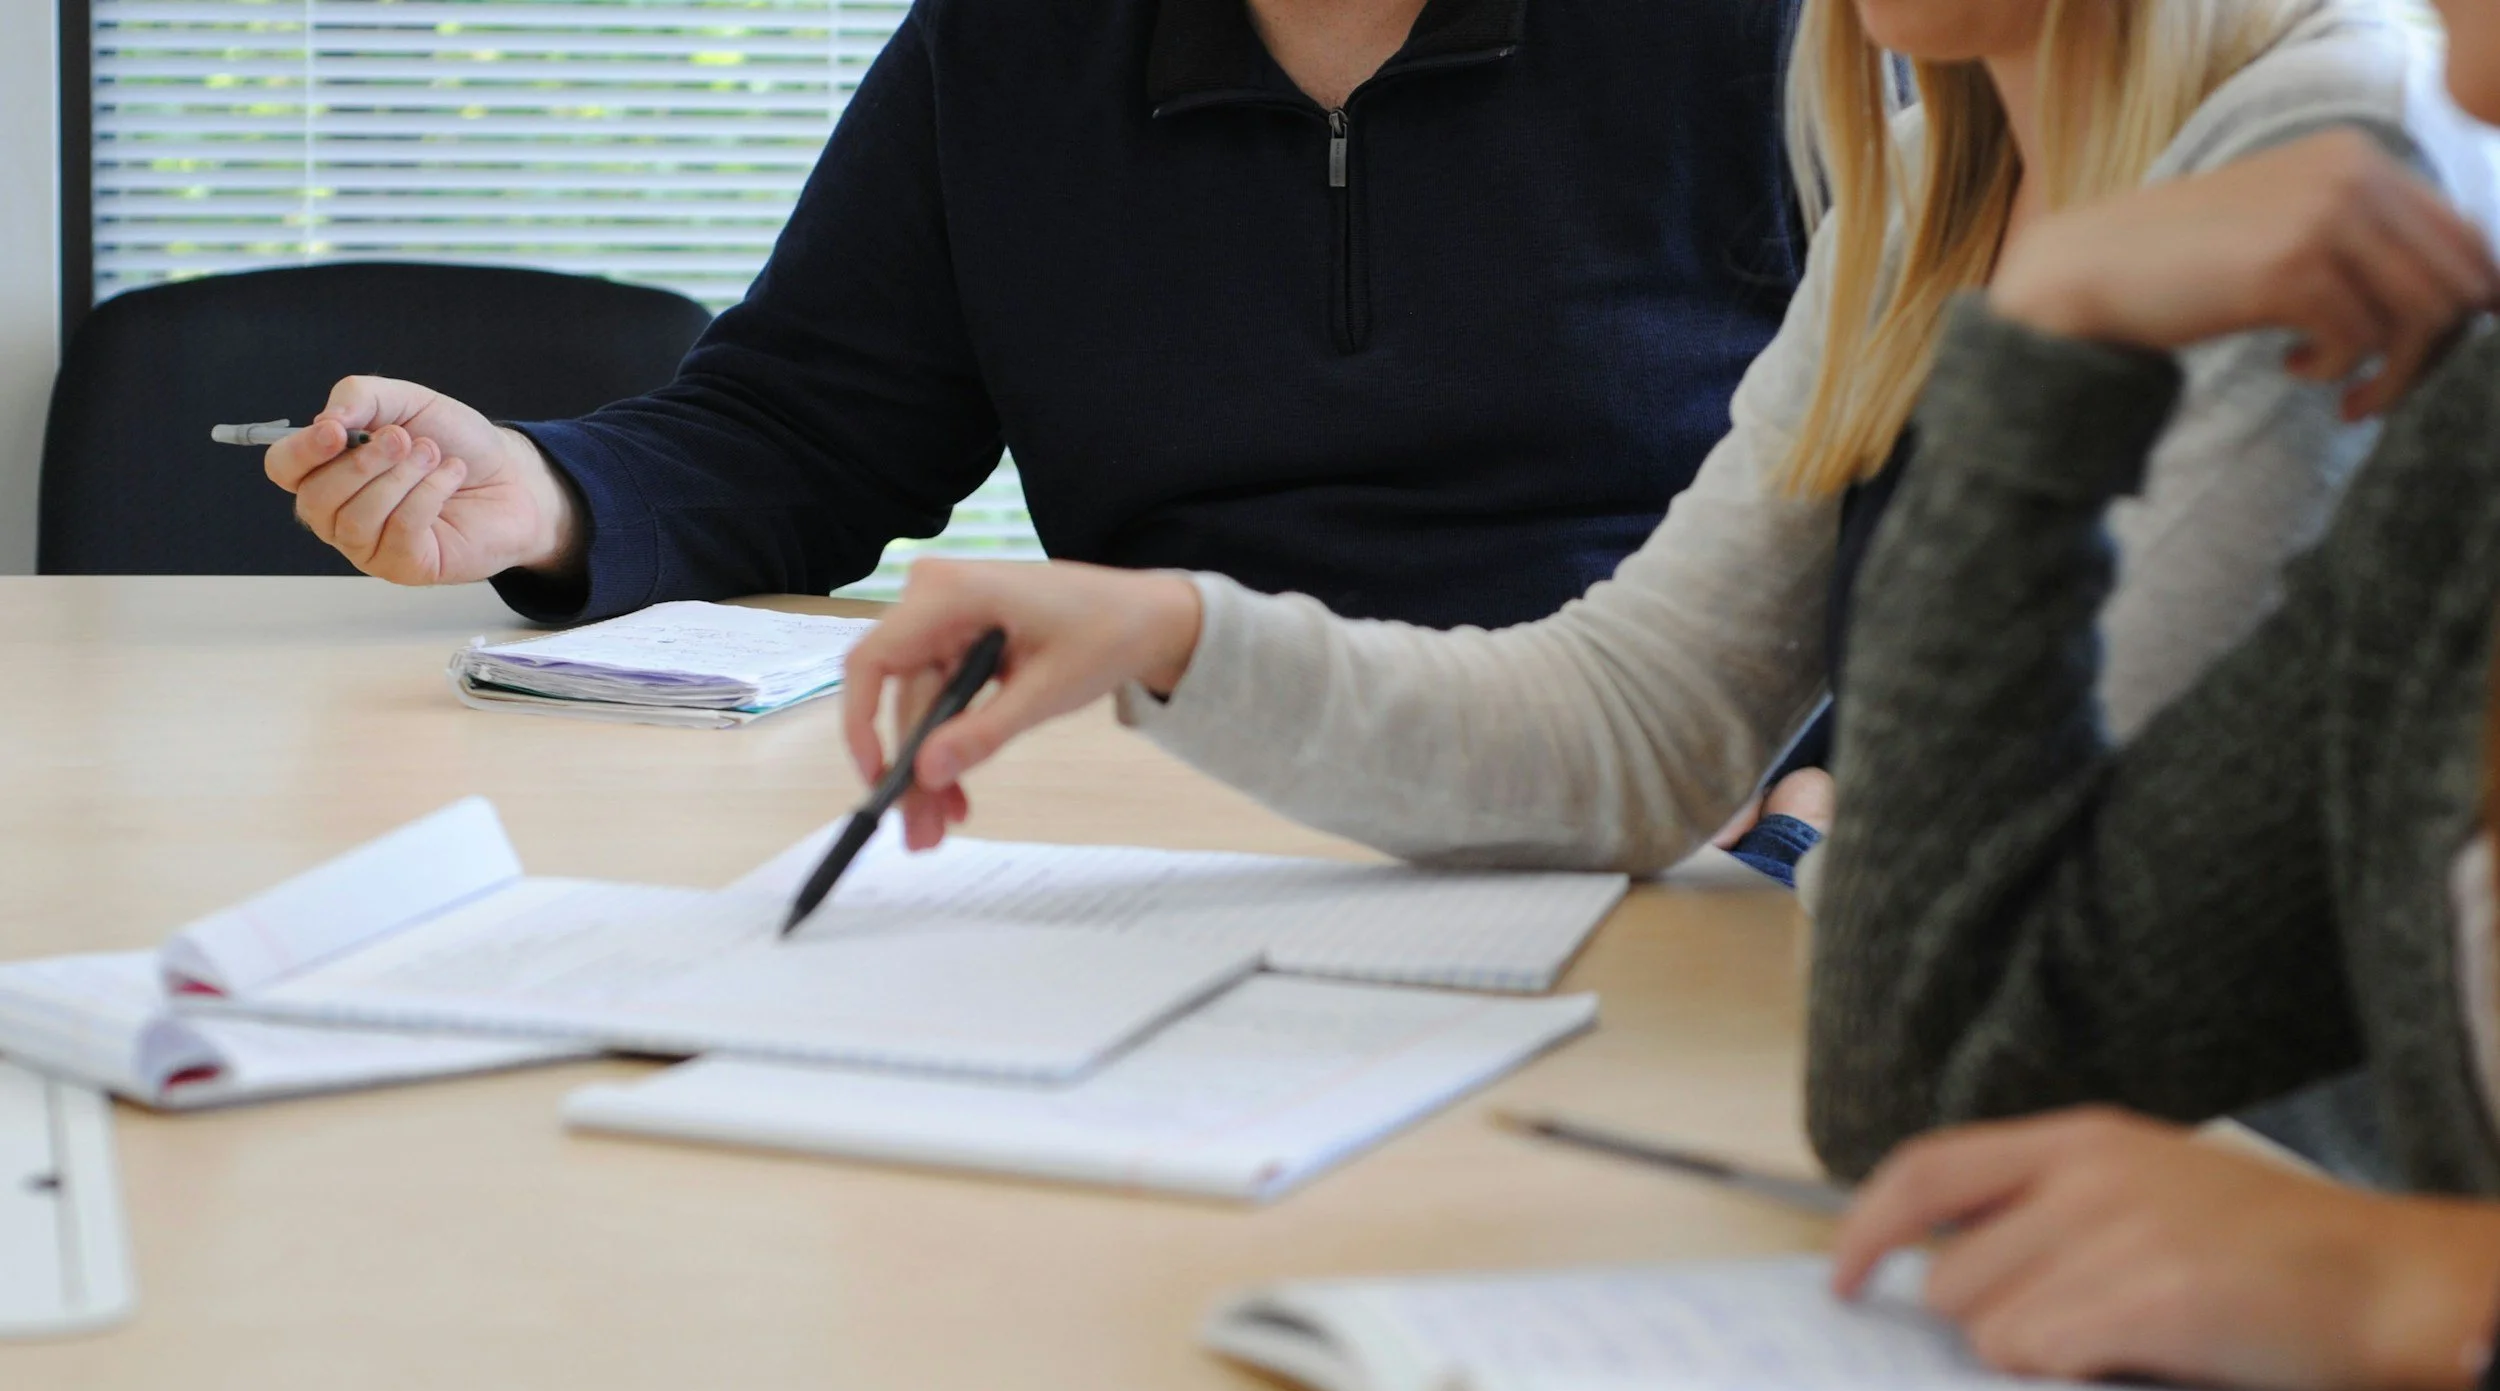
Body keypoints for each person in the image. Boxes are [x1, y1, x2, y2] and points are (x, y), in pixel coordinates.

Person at [833, 0, 2496, 886]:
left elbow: (2030, 937)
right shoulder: (1926, 187)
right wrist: (1169, 632)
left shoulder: (2326, 155)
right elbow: (1639, 725)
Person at [260, 0, 1805, 633]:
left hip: (1652, 791)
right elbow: (805, 422)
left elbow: (1942, 495)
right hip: (1163, 790)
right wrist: (548, 494)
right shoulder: (1011, 41)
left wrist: (1820, 784)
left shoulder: (1768, 38)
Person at [1802, 46, 2500, 1391]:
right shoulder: (2475, 459)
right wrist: (2060, 330)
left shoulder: (2335, 109)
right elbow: (1937, 1083)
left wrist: (2427, 1280)